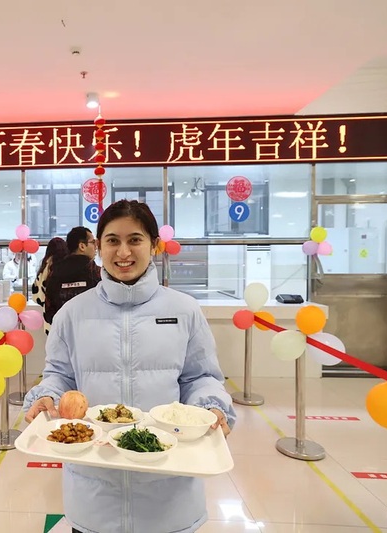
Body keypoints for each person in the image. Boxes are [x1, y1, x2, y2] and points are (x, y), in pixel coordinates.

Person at [24, 200, 235, 533]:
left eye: (135, 239)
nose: (123, 252)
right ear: (98, 247)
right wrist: (47, 396)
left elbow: (201, 376)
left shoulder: (184, 310)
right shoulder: (73, 314)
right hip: (94, 492)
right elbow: (60, 375)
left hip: (168, 490)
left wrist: (210, 407)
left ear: (154, 245)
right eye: (112, 240)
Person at [42, 226, 102, 333]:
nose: (96, 246)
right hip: (91, 334)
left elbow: (49, 311)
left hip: (62, 334)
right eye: (93, 242)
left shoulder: (55, 273)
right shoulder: (96, 273)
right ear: (82, 246)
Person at [31, 237, 69, 335]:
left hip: (50, 318)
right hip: (68, 316)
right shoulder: (68, 266)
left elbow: (37, 296)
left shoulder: (45, 267)